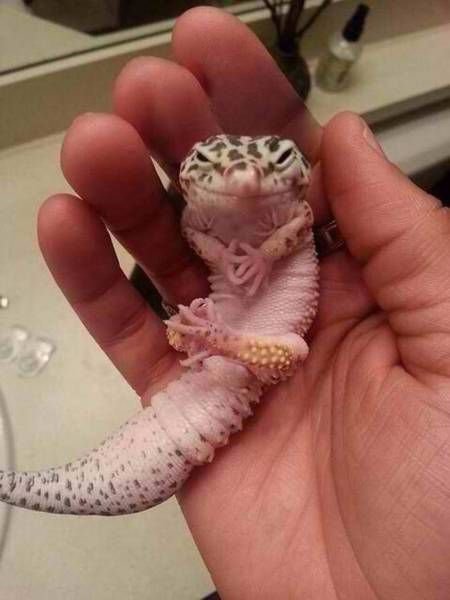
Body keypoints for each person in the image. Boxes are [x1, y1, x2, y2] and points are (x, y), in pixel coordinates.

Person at [37, 7, 450, 599]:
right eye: (220, 174)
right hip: (229, 337)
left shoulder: (291, 212)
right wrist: (225, 268)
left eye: (268, 170)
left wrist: (238, 302)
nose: (247, 182)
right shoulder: (204, 218)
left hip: (262, 341)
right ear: (192, 184)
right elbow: (198, 232)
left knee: (275, 350)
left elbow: (299, 234)